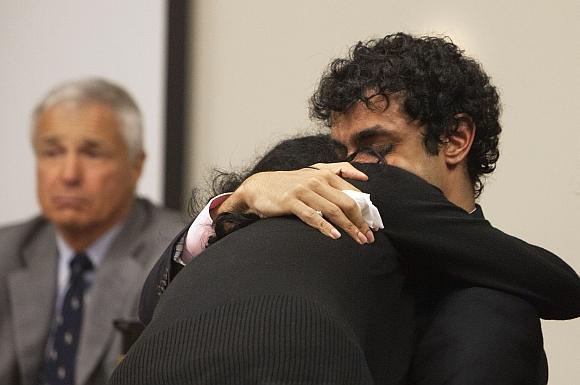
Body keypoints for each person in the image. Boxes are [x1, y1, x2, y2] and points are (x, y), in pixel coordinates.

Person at [143, 33, 580, 384]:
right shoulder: (319, 191)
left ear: (454, 139)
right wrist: (232, 205)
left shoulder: (490, 311)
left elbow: (561, 286)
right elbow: (150, 303)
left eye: (377, 148)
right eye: (341, 151)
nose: (349, 169)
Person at [114, 135, 579, 385]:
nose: (367, 163)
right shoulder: (356, 187)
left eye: (377, 148)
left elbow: (148, 307)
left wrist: (230, 204)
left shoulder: (247, 232)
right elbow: (561, 285)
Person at [0, 78, 185, 385]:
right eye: (52, 152)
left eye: (92, 153)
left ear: (136, 165)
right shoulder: (8, 251)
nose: (69, 174)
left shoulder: (172, 255)